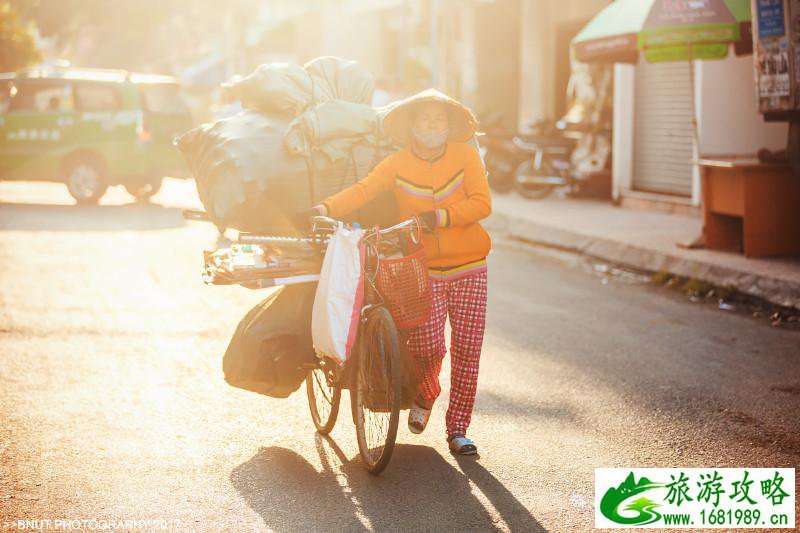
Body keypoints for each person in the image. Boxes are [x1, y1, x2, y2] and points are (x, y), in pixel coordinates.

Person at [300, 89, 492, 455]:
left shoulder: (466, 155)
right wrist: (325, 207)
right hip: (423, 269)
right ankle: (426, 393)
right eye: (425, 119)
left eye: (439, 120)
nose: (433, 126)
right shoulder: (397, 163)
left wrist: (441, 217)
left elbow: (482, 203)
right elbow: (364, 189)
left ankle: (458, 430)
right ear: (411, 127)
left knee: (468, 349)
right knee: (427, 346)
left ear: (449, 126)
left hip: (471, 267)